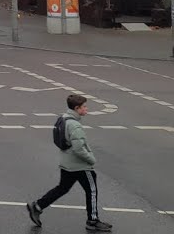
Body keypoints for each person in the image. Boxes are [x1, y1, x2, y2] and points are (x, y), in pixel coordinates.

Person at [27, 94, 112, 231]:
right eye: (84, 106)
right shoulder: (75, 126)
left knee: (62, 188)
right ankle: (92, 220)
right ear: (77, 108)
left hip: (67, 163)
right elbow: (79, 149)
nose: (87, 109)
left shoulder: (63, 119)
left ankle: (37, 206)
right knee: (92, 191)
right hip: (80, 165)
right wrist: (91, 160)